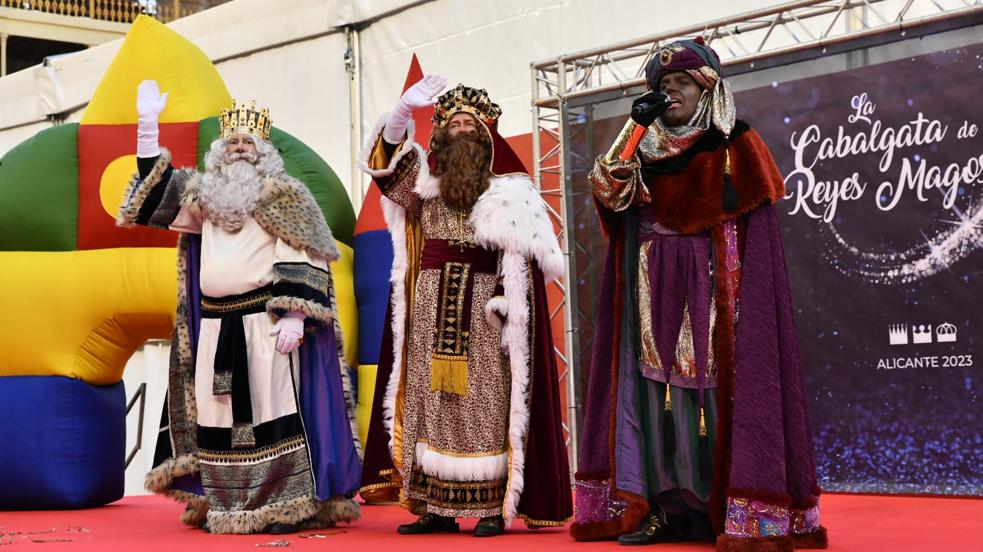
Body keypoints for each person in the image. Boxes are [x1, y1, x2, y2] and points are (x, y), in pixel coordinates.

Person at [571, 39, 828, 551]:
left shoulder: (735, 145)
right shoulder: (641, 148)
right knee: (650, 401)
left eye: (681, 84)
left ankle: (718, 507)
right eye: (663, 87)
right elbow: (607, 188)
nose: (671, 94)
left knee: (709, 398)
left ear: (707, 89)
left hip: (715, 295)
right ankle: (664, 509)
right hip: (649, 291)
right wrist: (634, 126)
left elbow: (754, 237)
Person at [118, 80, 362, 534]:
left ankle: (281, 506)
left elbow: (305, 252)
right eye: (231, 142)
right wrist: (148, 132)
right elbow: (153, 199)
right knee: (217, 414)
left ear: (263, 150)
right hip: (213, 326)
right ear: (219, 152)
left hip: (263, 326)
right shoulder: (204, 197)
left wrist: (294, 313)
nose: (238, 148)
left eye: (247, 142)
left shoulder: (286, 195)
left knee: (269, 411)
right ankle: (224, 504)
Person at [357, 75, 573, 537]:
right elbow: (381, 167)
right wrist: (399, 114)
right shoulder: (422, 182)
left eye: (469, 125)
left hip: (484, 306)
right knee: (429, 400)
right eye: (452, 123)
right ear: (438, 135)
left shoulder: (509, 191)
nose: (460, 129)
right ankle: (436, 507)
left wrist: (506, 304)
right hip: (430, 305)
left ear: (486, 137)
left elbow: (523, 261)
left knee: (488, 403)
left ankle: (494, 506)